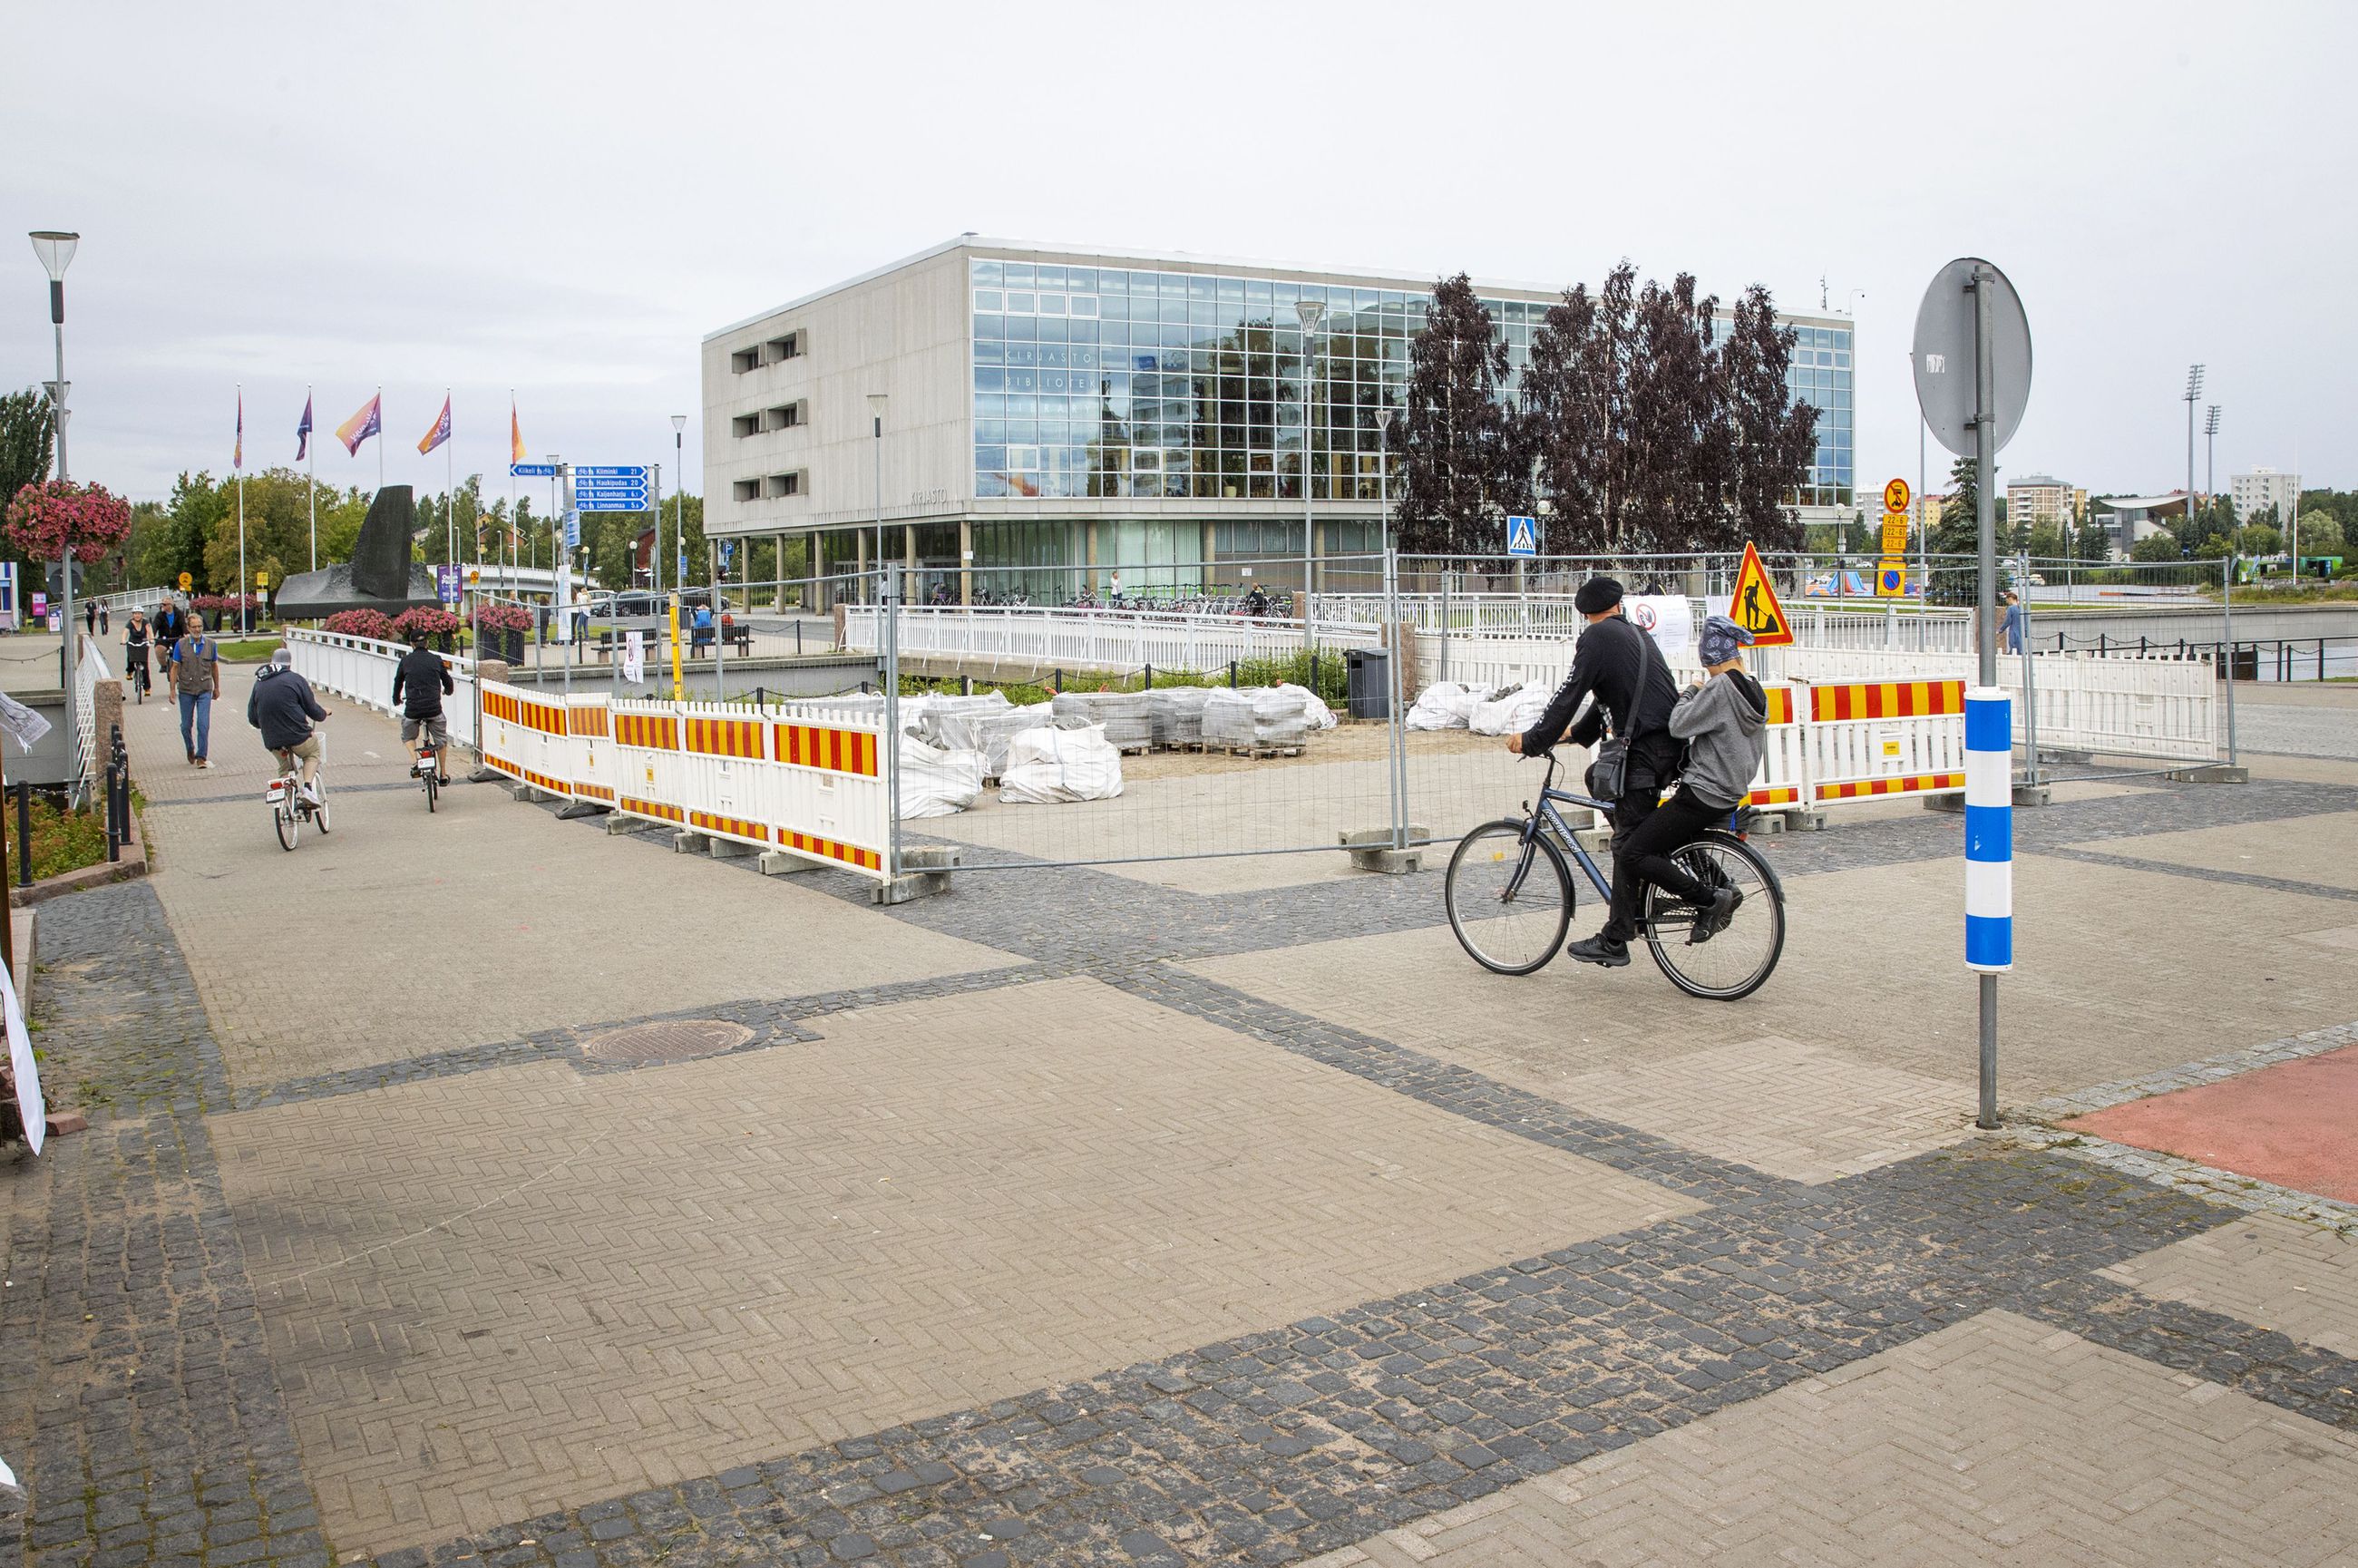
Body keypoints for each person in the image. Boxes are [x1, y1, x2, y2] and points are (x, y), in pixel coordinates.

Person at [1505, 576, 1681, 968]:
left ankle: (1617, 938)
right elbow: (1610, 697)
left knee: (1626, 845)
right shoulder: (1636, 635)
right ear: (1618, 606)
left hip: (1643, 755)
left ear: (1585, 614)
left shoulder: (1597, 639)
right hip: (1665, 748)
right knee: (1597, 783)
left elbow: (1569, 693)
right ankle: (1642, 891)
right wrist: (1573, 736)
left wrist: (1534, 740)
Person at [1603, 615, 1769, 951]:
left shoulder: (1721, 688)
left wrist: (1691, 691)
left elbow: (1679, 725)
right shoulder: (1753, 688)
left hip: (1703, 792)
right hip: (1729, 791)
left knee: (1633, 851)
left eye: (1706, 663)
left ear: (1711, 656)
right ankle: (1721, 888)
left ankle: (1708, 899)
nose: (1706, 670)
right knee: (1661, 835)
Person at [248, 647, 330, 805]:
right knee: (312, 753)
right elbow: (313, 711)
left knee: (284, 768)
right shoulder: (296, 680)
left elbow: (252, 718)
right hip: (298, 737)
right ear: (289, 664)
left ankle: (285, 797)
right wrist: (324, 713)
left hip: (273, 741)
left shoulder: (259, 683)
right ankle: (308, 789)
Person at [392, 628, 456, 784]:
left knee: (407, 735)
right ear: (427, 643)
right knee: (441, 739)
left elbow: (398, 682)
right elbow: (447, 681)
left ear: (412, 644)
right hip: (434, 708)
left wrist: (396, 699)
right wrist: (447, 691)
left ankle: (415, 762)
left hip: (413, 710)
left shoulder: (405, 661)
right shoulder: (436, 659)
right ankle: (443, 774)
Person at [170, 611, 222, 767]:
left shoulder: (211, 644)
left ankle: (201, 756)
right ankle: (190, 747)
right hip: (186, 689)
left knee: (203, 724)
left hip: (204, 689)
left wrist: (217, 687)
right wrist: (172, 690)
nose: (197, 630)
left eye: (200, 626)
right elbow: (174, 667)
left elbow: (214, 666)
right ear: (189, 628)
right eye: (194, 627)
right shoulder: (181, 645)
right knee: (186, 725)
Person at [123, 611, 152, 699]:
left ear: (142, 615)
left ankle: (147, 688)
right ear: (133, 615)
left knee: (145, 666)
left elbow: (150, 631)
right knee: (130, 657)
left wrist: (151, 639)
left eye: (139, 613)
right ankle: (130, 671)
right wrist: (123, 640)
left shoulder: (145, 622)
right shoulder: (130, 622)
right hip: (132, 642)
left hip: (143, 643)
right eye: (135, 614)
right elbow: (125, 632)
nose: (137, 615)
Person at [1999, 589, 2024, 654]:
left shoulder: (2011, 609)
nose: (2006, 601)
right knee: (2020, 647)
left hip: (2013, 630)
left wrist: (2000, 630)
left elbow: (2008, 621)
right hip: (2021, 631)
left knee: (2013, 646)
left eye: (2007, 599)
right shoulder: (2022, 609)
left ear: (2010, 599)